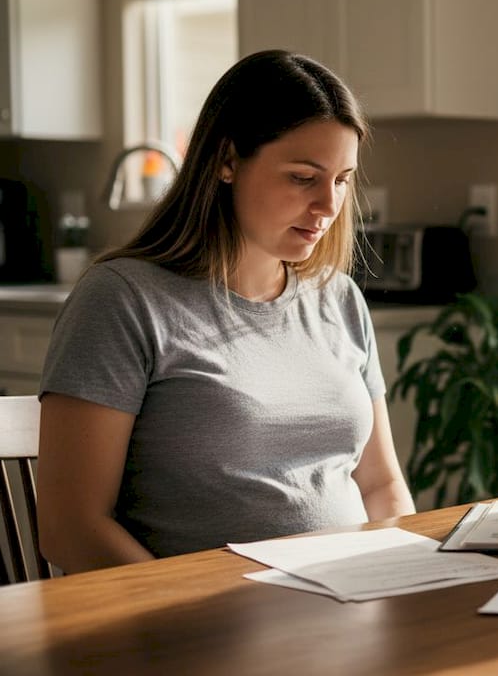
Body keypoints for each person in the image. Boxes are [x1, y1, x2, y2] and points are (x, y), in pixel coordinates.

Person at [37, 50, 415, 573]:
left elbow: (381, 484)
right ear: (227, 160)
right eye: (304, 177)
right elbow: (71, 529)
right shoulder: (123, 300)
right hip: (199, 629)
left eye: (343, 179)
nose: (329, 206)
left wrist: (405, 576)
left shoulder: (339, 298)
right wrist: (194, 616)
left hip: (351, 605)